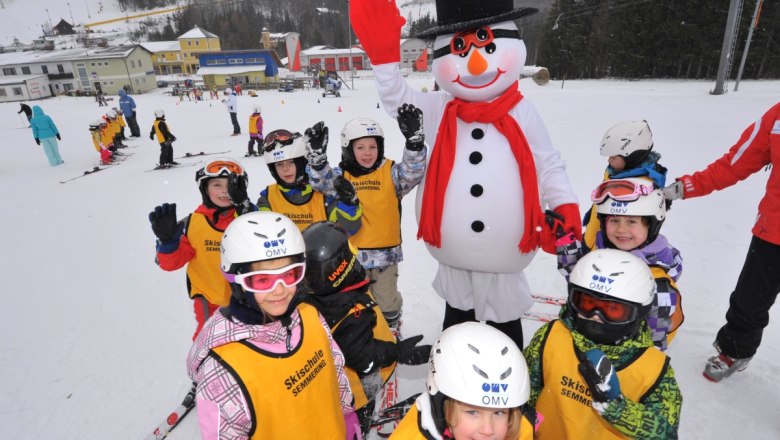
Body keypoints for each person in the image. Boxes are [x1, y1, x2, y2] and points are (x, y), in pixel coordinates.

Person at [350, 0, 582, 349]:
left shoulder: (521, 111)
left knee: (504, 322)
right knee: (458, 317)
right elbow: (398, 101)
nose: (475, 64)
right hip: (454, 254)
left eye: (488, 47)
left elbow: (548, 163)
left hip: (506, 250)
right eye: (460, 49)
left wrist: (564, 206)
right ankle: (452, 372)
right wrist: (384, 59)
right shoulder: (440, 109)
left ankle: (507, 373)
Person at [186, 211, 361, 439]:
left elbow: (335, 373)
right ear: (235, 281)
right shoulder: (221, 371)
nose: (279, 290)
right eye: (262, 280)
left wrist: (347, 416)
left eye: (290, 275)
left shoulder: (309, 316)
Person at [662, 102, 780, 382]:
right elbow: (734, 164)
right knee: (749, 300)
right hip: (773, 232)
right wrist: (683, 188)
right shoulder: (777, 117)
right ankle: (736, 350)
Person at [524, 249, 682, 439]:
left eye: (613, 310)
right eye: (587, 304)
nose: (596, 316)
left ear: (638, 313)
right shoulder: (552, 337)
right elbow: (526, 390)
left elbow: (666, 433)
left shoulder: (652, 370)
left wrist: (616, 408)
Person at [302, 221, 432, 437]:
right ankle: (360, 426)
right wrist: (398, 352)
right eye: (350, 250)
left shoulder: (315, 294)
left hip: (335, 379)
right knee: (359, 414)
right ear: (341, 267)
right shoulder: (350, 313)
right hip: (356, 391)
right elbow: (365, 358)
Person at [305, 105, 427, 329]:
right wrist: (318, 161)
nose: (367, 153)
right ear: (348, 149)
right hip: (351, 258)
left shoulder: (391, 174)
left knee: (387, 302)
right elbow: (321, 182)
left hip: (385, 258)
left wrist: (414, 145)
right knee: (355, 304)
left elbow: (413, 172)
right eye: (360, 147)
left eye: (373, 146)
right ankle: (361, 336)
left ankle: (391, 330)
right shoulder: (343, 177)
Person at [557, 179, 684, 350]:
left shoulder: (659, 285)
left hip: (620, 355)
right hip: (587, 335)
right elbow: (579, 280)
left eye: (631, 221)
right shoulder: (604, 250)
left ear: (652, 224)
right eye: (614, 220)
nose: (621, 229)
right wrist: (566, 244)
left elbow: (654, 342)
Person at [148, 158, 256, 340]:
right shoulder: (192, 224)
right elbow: (171, 264)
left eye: (230, 185)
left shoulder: (250, 216)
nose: (224, 190)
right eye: (216, 185)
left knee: (253, 340)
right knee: (209, 339)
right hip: (209, 302)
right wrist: (168, 243)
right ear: (205, 189)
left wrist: (244, 208)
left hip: (249, 298)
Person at [391, 322, 536, 440]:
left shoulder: (520, 429)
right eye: (472, 412)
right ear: (442, 409)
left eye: (499, 413)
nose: (488, 430)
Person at [582, 120, 668, 248]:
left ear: (631, 157)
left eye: (614, 157)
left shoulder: (642, 185)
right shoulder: (616, 172)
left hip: (607, 249)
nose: (609, 160)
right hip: (593, 240)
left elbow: (628, 229)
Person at [260, 128, 362, 234]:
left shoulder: (322, 194)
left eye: (291, 162)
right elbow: (257, 227)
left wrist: (349, 204)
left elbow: (348, 228)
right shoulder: (269, 197)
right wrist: (247, 207)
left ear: (301, 163)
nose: (285, 169)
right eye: (279, 164)